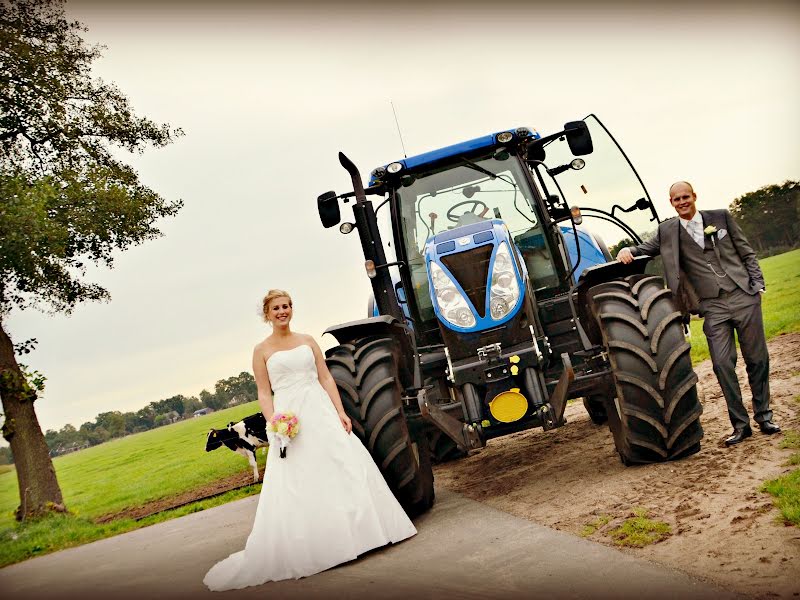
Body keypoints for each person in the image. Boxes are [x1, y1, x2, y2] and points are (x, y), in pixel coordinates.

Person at [203, 289, 416, 591]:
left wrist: (340, 412)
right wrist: (273, 422)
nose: (283, 311)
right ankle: (321, 545)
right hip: (289, 415)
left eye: (287, 306)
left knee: (341, 461)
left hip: (319, 408)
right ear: (267, 314)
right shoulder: (261, 350)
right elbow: (264, 392)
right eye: (276, 308)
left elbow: (326, 378)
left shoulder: (307, 341)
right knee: (302, 474)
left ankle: (366, 533)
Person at [617, 181, 780, 447]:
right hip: (711, 305)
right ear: (670, 203)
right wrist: (627, 251)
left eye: (685, 197)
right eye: (676, 199)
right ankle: (741, 425)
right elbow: (644, 249)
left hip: (743, 296)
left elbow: (746, 251)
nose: (682, 202)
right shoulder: (667, 230)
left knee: (757, 359)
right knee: (722, 364)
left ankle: (764, 416)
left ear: (694, 196)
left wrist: (757, 285)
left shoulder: (720, 217)